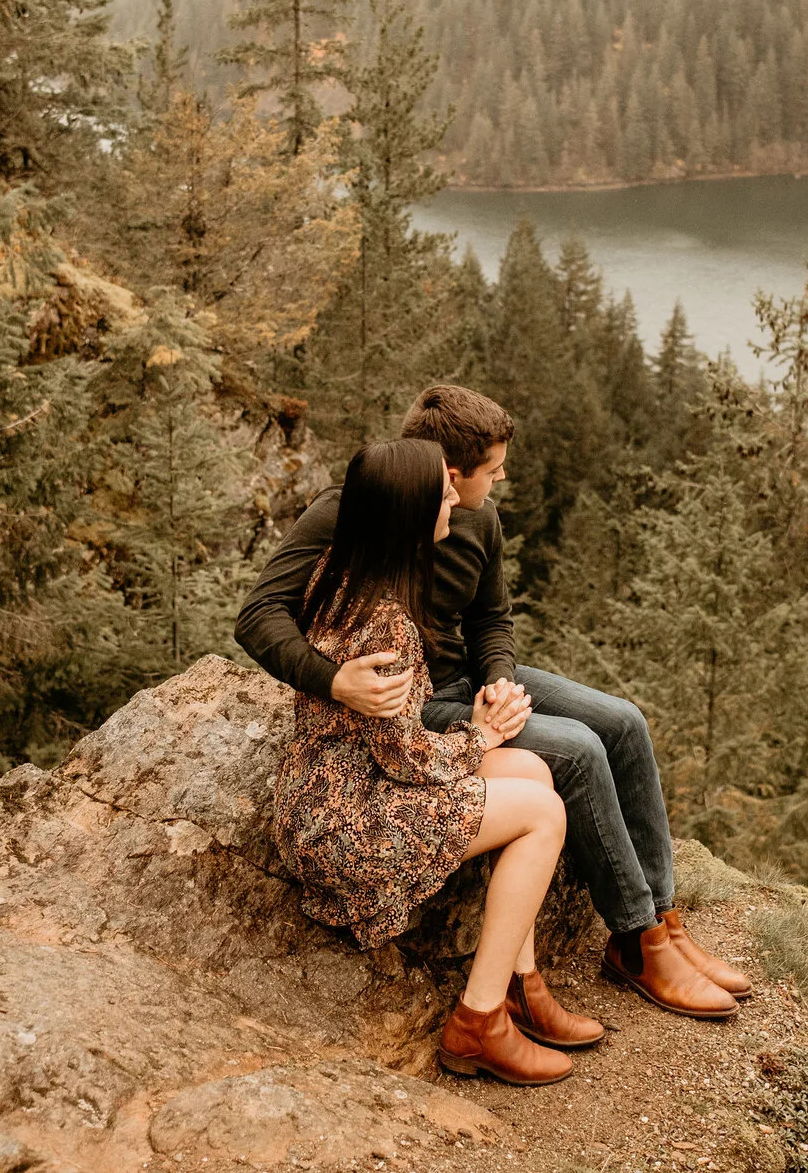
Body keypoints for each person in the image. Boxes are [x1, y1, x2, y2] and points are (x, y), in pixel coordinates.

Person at [240, 385, 749, 1024]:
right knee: (578, 752)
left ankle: (661, 923)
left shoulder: (478, 519)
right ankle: (633, 934)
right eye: (493, 469)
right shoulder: (356, 511)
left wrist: (501, 680)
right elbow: (259, 615)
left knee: (622, 722)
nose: (502, 477)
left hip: (467, 679)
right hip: (413, 703)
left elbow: (491, 618)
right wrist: (335, 680)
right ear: (450, 478)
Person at [271, 438, 600, 1085]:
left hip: (327, 792)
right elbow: (407, 760)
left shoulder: (339, 574)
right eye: (442, 491)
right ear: (412, 510)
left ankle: (515, 981)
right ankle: (478, 1023)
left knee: (533, 772)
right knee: (543, 812)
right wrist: (479, 734)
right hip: (346, 820)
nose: (456, 496)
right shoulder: (385, 619)